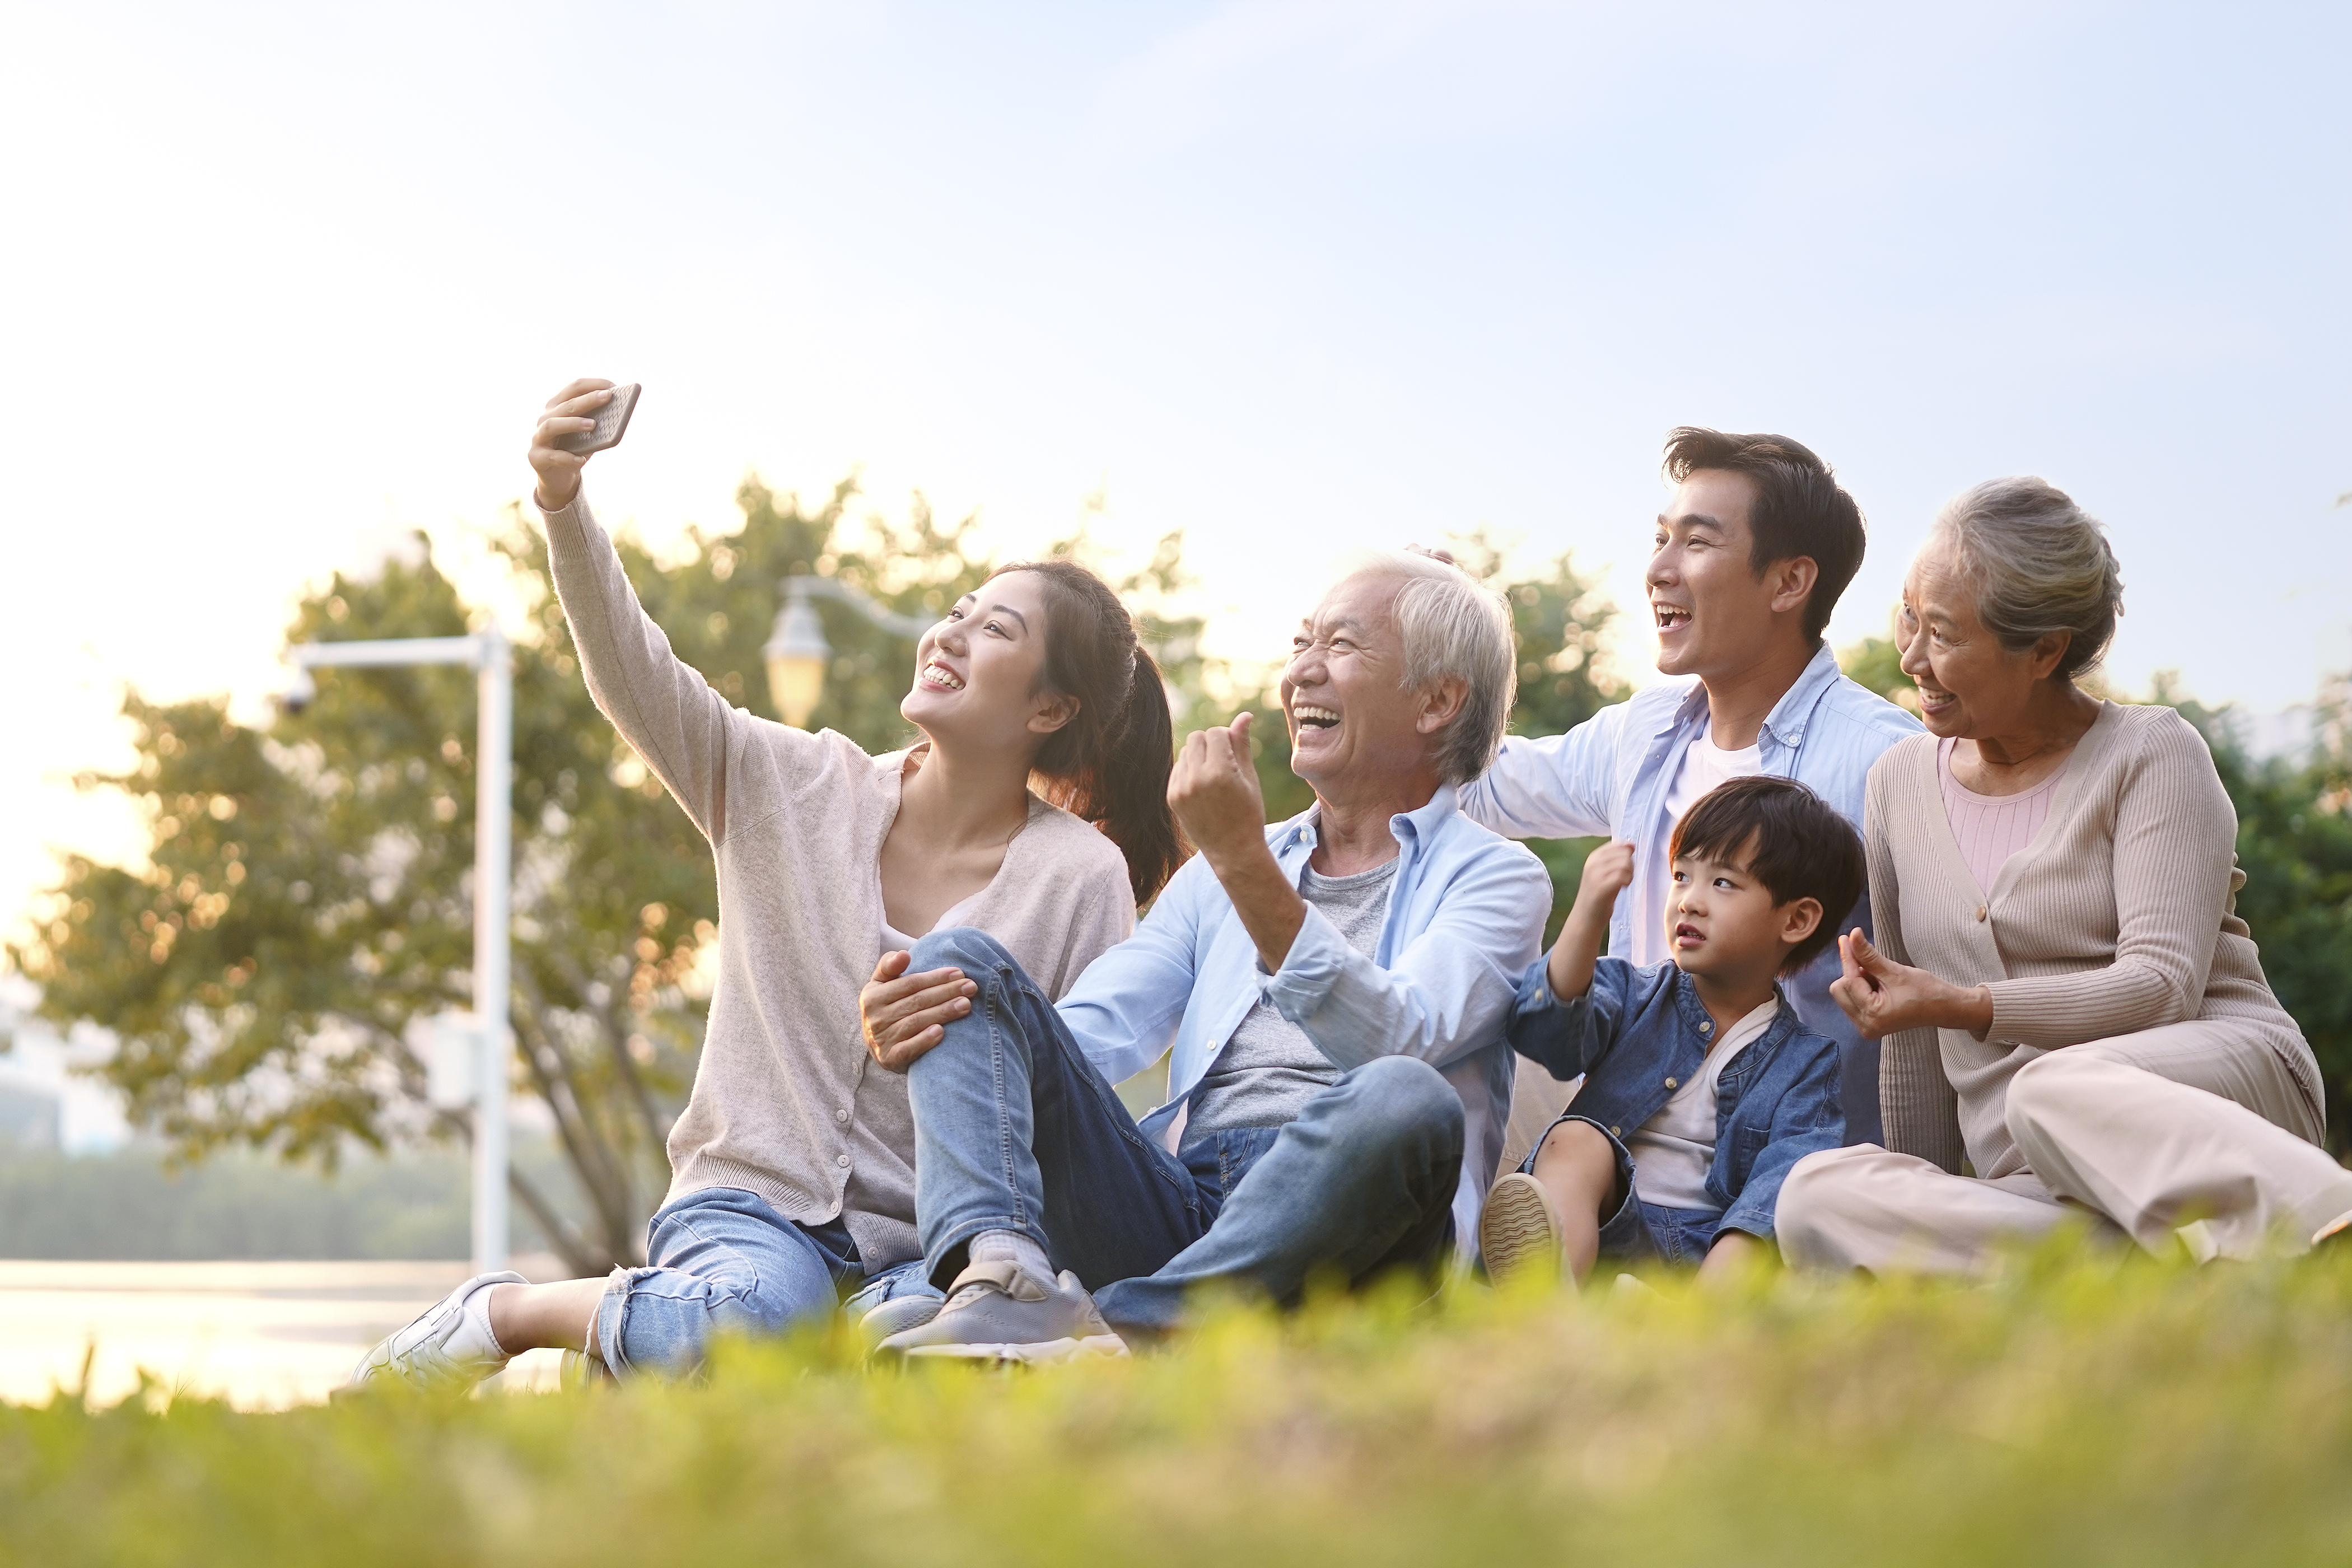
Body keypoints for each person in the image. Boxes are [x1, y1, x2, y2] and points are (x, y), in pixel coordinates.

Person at [350, 377, 1180, 1388]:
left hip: (926, 1246)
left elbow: (1067, 1105)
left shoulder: (1079, 877)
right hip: (748, 1209)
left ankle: (656, 1343)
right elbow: (635, 674)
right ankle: (510, 1314)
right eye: (957, 611)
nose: (949, 634)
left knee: (918, 1359)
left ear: (1052, 709)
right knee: (752, 1322)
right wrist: (564, 506)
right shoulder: (788, 782)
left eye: (996, 630)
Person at [855, 550, 1553, 1360]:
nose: (1303, 675)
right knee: (964, 963)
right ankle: (1001, 1282)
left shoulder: (1500, 876)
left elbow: (1399, 1040)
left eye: (1343, 648)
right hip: (1188, 1201)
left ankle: (1109, 1326)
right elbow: (1091, 1029)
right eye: (1300, 646)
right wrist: (967, 1029)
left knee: (1407, 1096)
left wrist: (1243, 864)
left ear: (1437, 701)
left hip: (1359, 1214)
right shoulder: (1220, 872)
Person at [1776, 478, 2352, 1272]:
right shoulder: (1900, 782)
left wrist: (1966, 1004)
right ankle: (2144, 1262)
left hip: (2214, 1088)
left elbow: (2161, 987)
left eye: (1942, 633)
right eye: (1909, 616)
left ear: (2044, 649)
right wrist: (1926, 1188)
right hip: (2037, 1171)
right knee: (1817, 1195)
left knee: (2050, 1089)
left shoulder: (2152, 752)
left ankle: (2326, 1215)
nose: (1911, 657)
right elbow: (1913, 1048)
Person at [1458, 428, 1919, 1156]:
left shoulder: (1887, 760)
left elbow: (1947, 978)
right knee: (1471, 1034)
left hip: (1784, 1153)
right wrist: (1419, 656)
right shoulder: (1648, 731)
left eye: (1697, 544)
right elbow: (1479, 788)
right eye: (1660, 539)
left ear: (1789, 582)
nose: (1658, 570)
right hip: (1633, 1117)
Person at [1480, 777, 1858, 1287]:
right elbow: (1547, 1035)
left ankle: (1696, 1321)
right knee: (1576, 1139)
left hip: (1711, 1251)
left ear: (1796, 921)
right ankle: (1552, 1298)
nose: (1689, 901)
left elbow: (1780, 1182)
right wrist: (1590, 912)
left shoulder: (1806, 1061)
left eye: (1722, 883)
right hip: (1605, 1224)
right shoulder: (1632, 994)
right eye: (1682, 876)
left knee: (1777, 1200)